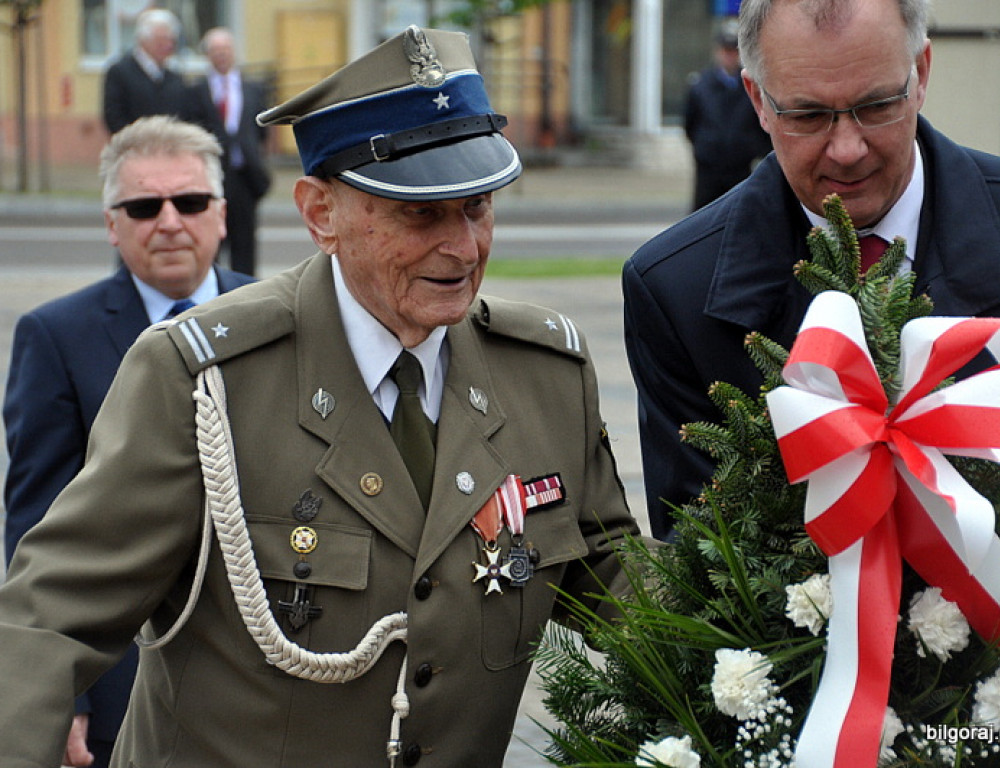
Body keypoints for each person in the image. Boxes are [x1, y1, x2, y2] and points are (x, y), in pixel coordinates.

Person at [0, 26, 642, 766]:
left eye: (476, 208)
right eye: (421, 214)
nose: (464, 248)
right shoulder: (205, 382)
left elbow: (618, 580)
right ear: (319, 213)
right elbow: (49, 619)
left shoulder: (543, 375)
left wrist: (780, 623)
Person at [623, 0, 1000, 541]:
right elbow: (704, 566)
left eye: (877, 105)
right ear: (758, 102)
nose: (847, 149)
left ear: (921, 72)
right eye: (808, 116)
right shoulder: (675, 292)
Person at [2, 115, 254, 768]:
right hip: (122, 677)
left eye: (190, 202)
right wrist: (62, 694)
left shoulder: (278, 321)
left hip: (263, 674)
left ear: (221, 215)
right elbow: (40, 518)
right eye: (144, 206)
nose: (169, 221)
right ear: (113, 226)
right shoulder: (56, 336)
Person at [184, 27, 271, 276]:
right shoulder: (195, 91)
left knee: (245, 246)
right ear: (208, 55)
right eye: (215, 51)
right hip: (212, 178)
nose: (221, 55)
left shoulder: (253, 89)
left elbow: (261, 133)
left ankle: (245, 292)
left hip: (245, 177)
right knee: (211, 243)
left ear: (234, 53)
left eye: (226, 50)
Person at [683, 18, 772, 210]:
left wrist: (751, 148)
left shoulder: (751, 86)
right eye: (726, 51)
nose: (730, 57)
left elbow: (760, 122)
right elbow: (690, 124)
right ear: (718, 51)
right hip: (709, 168)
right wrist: (704, 147)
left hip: (740, 167)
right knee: (703, 218)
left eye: (735, 51)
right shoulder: (701, 85)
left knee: (740, 214)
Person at [102, 8, 188, 135]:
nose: (167, 46)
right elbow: (114, 116)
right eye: (161, 40)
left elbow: (183, 115)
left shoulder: (175, 77)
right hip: (134, 147)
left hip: (169, 148)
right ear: (143, 40)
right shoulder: (120, 72)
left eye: (171, 40)